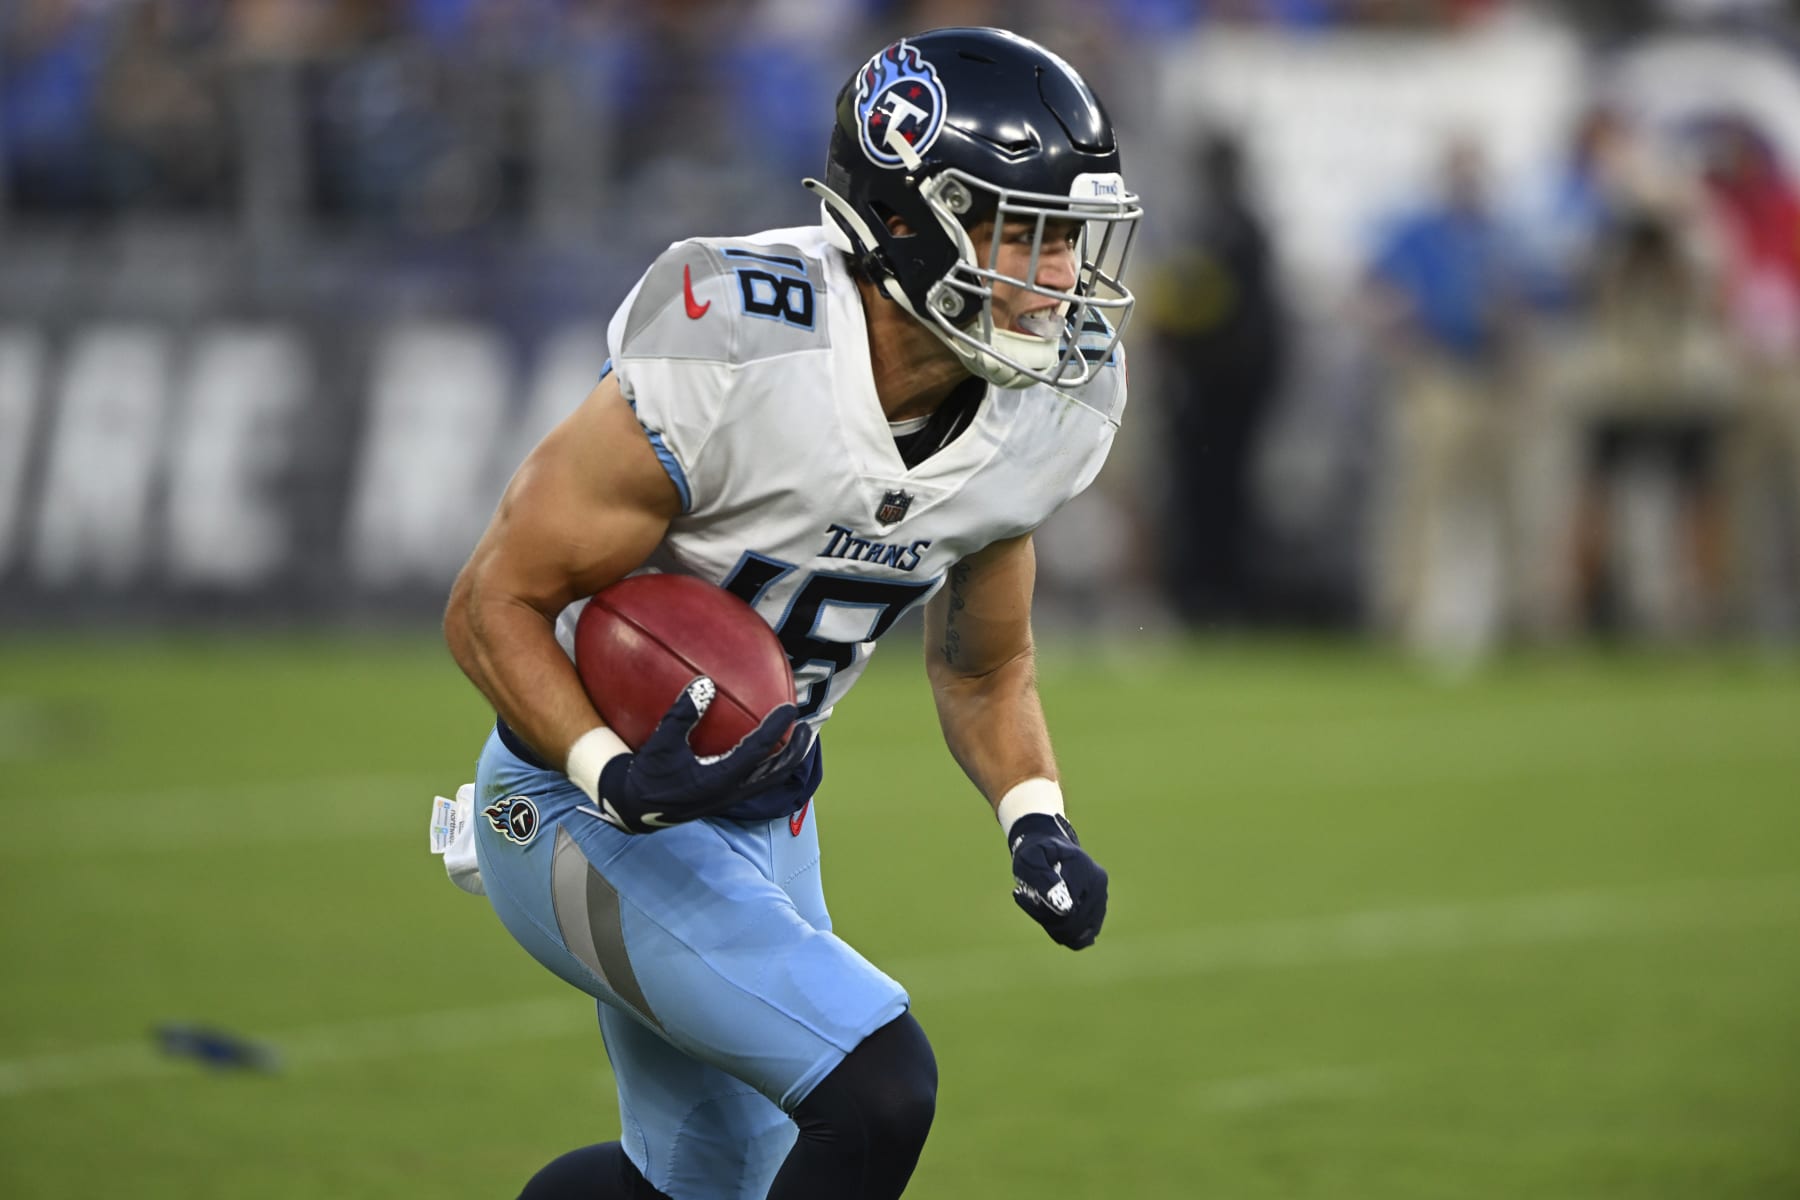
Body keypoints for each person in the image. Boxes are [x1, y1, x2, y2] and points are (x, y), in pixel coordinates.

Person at [437, 26, 1140, 1200]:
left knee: (703, 1191)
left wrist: (1036, 821)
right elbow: (491, 601)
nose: (1059, 275)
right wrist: (613, 771)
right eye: (1024, 231)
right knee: (879, 1087)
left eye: (1069, 237)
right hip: (574, 802)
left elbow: (984, 668)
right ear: (909, 218)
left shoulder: (1047, 403)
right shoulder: (741, 339)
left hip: (765, 804)